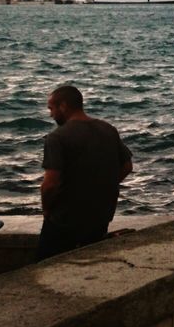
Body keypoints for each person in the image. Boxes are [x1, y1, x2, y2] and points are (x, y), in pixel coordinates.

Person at [37, 83, 133, 260]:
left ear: (63, 106)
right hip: (100, 216)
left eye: (51, 109)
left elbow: (50, 184)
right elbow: (127, 167)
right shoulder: (108, 129)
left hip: (65, 219)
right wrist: (101, 187)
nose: (50, 114)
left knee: (46, 266)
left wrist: (46, 210)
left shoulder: (57, 137)